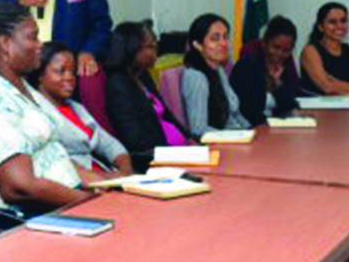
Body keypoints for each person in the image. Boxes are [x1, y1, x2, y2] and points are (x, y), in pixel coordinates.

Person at [0, 2, 93, 215]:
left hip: (64, 203)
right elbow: (19, 188)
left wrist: (108, 186)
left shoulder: (22, 88)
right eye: (32, 37)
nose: (40, 45)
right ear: (5, 43)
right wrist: (90, 203)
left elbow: (55, 156)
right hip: (26, 221)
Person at [29, 41, 133, 176]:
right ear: (39, 75)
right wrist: (102, 177)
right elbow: (56, 160)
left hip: (106, 177)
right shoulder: (36, 111)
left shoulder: (76, 108)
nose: (69, 78)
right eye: (60, 71)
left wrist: (125, 171)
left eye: (72, 72)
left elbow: (110, 144)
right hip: (76, 185)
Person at [104, 21, 192, 172]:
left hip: (178, 153)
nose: (156, 51)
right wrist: (172, 152)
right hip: (156, 160)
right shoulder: (117, 84)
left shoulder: (143, 75)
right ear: (131, 49)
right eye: (150, 47)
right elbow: (135, 140)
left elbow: (167, 114)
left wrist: (188, 138)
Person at [182, 14, 252, 138]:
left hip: (234, 138)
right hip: (215, 148)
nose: (224, 43)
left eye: (225, 37)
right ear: (198, 45)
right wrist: (236, 137)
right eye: (215, 39)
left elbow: (234, 114)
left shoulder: (218, 69)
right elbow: (198, 129)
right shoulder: (197, 77)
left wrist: (251, 132)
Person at [230, 15, 301, 126]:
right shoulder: (246, 67)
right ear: (264, 43)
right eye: (276, 47)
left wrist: (278, 84)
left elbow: (290, 106)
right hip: (250, 129)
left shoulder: (284, 68)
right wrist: (272, 124)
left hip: (273, 129)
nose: (280, 54)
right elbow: (248, 112)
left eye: (286, 50)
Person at [300, 2, 349, 94]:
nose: (339, 26)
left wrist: (339, 85)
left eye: (343, 21)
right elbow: (328, 88)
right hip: (316, 106)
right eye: (332, 22)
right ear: (320, 27)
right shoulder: (310, 51)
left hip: (346, 105)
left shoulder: (348, 50)